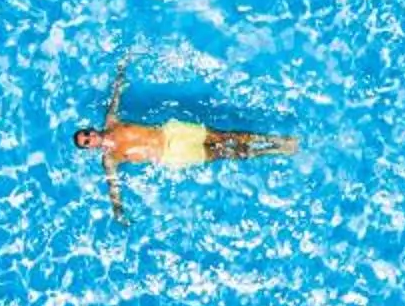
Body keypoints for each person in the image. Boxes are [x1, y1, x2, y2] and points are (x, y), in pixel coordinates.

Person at [73, 65, 295, 218]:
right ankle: (275, 151)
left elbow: (115, 98)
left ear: (91, 130)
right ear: (89, 147)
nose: (90, 138)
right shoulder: (110, 159)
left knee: (224, 136)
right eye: (86, 142)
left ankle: (276, 140)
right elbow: (113, 185)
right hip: (171, 156)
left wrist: (121, 72)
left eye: (87, 134)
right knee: (224, 153)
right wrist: (118, 210)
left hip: (172, 133)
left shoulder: (112, 121)